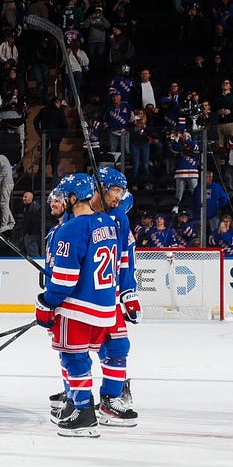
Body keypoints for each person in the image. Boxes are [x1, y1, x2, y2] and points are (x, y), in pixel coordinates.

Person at [37, 173, 121, 437]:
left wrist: (46, 302)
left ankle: (84, 413)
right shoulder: (108, 222)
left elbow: (64, 280)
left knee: (74, 358)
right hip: (105, 308)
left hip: (78, 307)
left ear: (73, 198)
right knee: (83, 357)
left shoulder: (70, 229)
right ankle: (78, 405)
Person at [94, 167, 140, 426]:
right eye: (116, 191)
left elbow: (125, 260)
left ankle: (113, 391)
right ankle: (73, 396)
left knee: (116, 346)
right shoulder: (80, 216)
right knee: (74, 349)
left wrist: (128, 292)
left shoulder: (119, 218)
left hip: (109, 296)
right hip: (84, 297)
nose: (119, 199)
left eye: (122, 195)